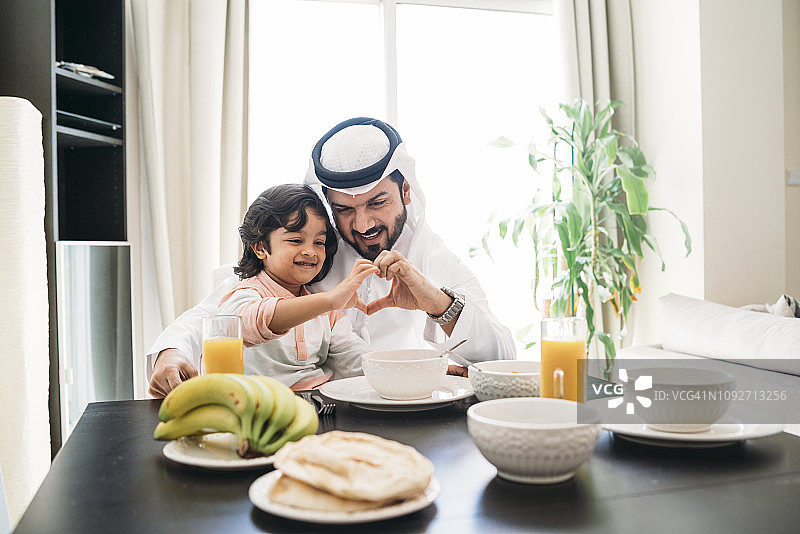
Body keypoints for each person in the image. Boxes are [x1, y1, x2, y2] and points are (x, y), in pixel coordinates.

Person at [148, 117, 515, 397]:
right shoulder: (308, 256)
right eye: (344, 209)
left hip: (400, 409)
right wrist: (171, 353)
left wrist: (437, 304)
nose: (363, 223)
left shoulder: (439, 260)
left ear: (405, 191)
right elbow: (213, 316)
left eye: (377, 202)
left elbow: (502, 357)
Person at [217, 184, 377, 389]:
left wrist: (404, 370)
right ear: (260, 248)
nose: (310, 251)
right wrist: (329, 300)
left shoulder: (328, 313)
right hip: (259, 407)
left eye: (319, 242)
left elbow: (356, 357)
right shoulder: (247, 293)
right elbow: (248, 322)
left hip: (321, 405)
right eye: (296, 240)